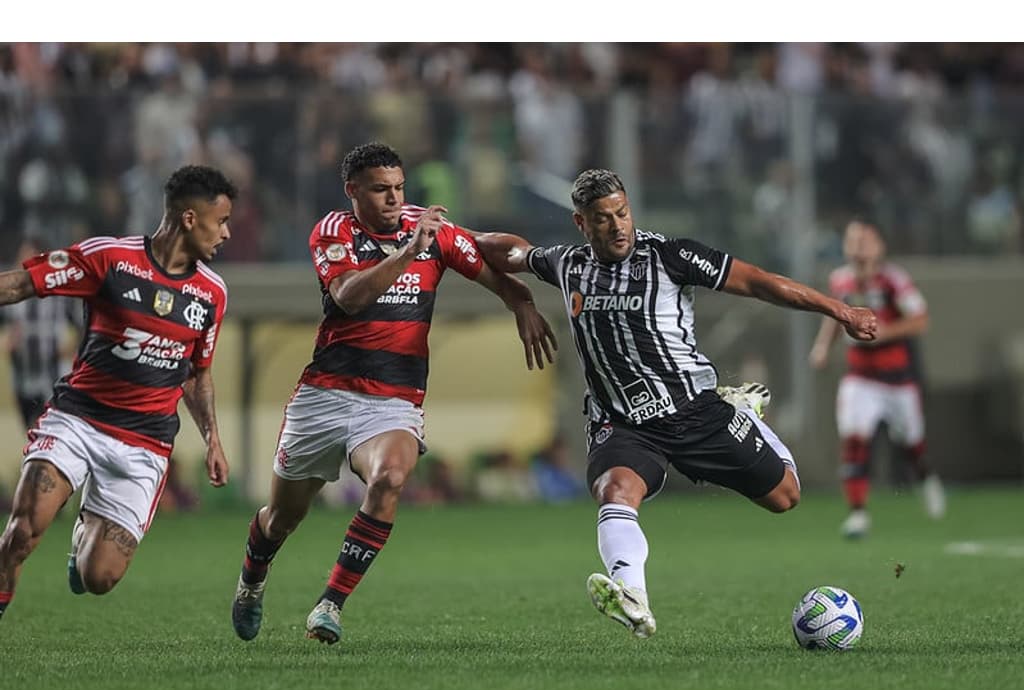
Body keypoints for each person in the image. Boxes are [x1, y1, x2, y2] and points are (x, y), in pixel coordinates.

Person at [475, 168, 877, 639]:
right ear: (581, 224)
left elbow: (760, 282)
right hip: (621, 422)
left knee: (785, 497)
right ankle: (633, 598)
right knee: (615, 490)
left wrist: (840, 310)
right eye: (602, 219)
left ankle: (741, 412)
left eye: (622, 213)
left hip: (695, 411)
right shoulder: (568, 264)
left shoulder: (670, 256)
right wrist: (451, 238)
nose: (617, 226)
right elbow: (510, 252)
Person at [230, 142, 557, 645]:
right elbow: (349, 296)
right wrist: (411, 252)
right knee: (281, 519)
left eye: (399, 188)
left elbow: (487, 258)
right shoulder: (334, 231)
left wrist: (522, 299)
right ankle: (252, 583)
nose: (393, 198)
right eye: (381, 189)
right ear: (353, 191)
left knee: (390, 478)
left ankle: (330, 604)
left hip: (392, 401)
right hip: (325, 393)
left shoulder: (428, 230)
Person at [0, 165, 234, 622]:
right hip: (78, 420)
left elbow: (196, 374)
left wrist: (213, 438)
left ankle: (83, 534)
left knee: (99, 577)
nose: (226, 233)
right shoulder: (109, 259)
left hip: (145, 443)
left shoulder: (211, 294)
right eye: (220, 220)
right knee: (21, 533)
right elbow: (25, 283)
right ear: (190, 218)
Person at [809, 216, 945, 538]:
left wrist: (886, 332)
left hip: (898, 381)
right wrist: (822, 347)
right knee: (854, 441)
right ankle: (858, 514)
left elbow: (921, 320)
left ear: (879, 246)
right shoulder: (840, 280)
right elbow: (835, 316)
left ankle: (925, 479)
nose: (858, 248)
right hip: (860, 378)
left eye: (864, 241)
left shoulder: (893, 280)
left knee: (912, 445)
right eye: (852, 241)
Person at [1, 237, 83, 432]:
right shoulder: (12, 293)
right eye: (22, 255)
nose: (23, 260)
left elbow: (83, 324)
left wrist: (73, 346)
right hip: (23, 374)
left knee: (45, 428)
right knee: (30, 430)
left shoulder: (59, 292)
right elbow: (5, 328)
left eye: (29, 255)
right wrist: (7, 340)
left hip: (52, 373)